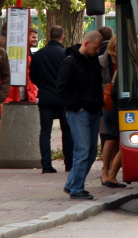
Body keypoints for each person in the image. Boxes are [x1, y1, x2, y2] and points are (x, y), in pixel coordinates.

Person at [57, 31, 104, 200]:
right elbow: (61, 88)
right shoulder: (70, 62)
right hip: (80, 112)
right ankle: (76, 187)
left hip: (90, 110)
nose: (97, 51)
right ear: (86, 43)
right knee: (83, 150)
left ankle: (73, 184)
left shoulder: (92, 62)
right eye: (96, 47)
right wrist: (77, 107)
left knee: (90, 152)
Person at [30, 25, 74, 173]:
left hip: (46, 96)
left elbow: (33, 76)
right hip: (63, 98)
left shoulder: (38, 55)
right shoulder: (65, 54)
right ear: (62, 37)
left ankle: (46, 165)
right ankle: (69, 163)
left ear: (49, 35)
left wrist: (43, 85)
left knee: (45, 131)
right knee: (66, 130)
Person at [98, 35, 125, 187]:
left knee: (112, 138)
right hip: (109, 105)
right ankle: (108, 173)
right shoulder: (103, 61)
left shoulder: (122, 60)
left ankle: (108, 173)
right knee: (114, 138)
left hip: (112, 105)